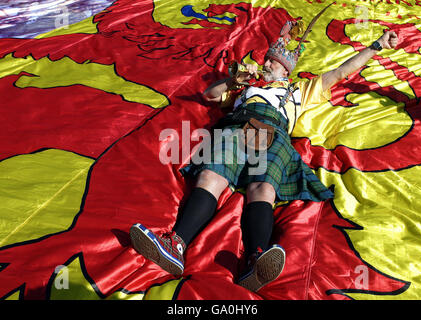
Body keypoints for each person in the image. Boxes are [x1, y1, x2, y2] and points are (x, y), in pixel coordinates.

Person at [129, 18, 399, 292]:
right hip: (237, 127)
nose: (265, 64)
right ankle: (176, 244)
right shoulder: (245, 89)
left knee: (262, 188)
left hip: (272, 131)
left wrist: (376, 45)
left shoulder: (299, 90)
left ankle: (256, 259)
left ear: (286, 69)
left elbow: (341, 71)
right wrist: (232, 81)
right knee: (211, 176)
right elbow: (210, 96)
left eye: (272, 62)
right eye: (266, 60)